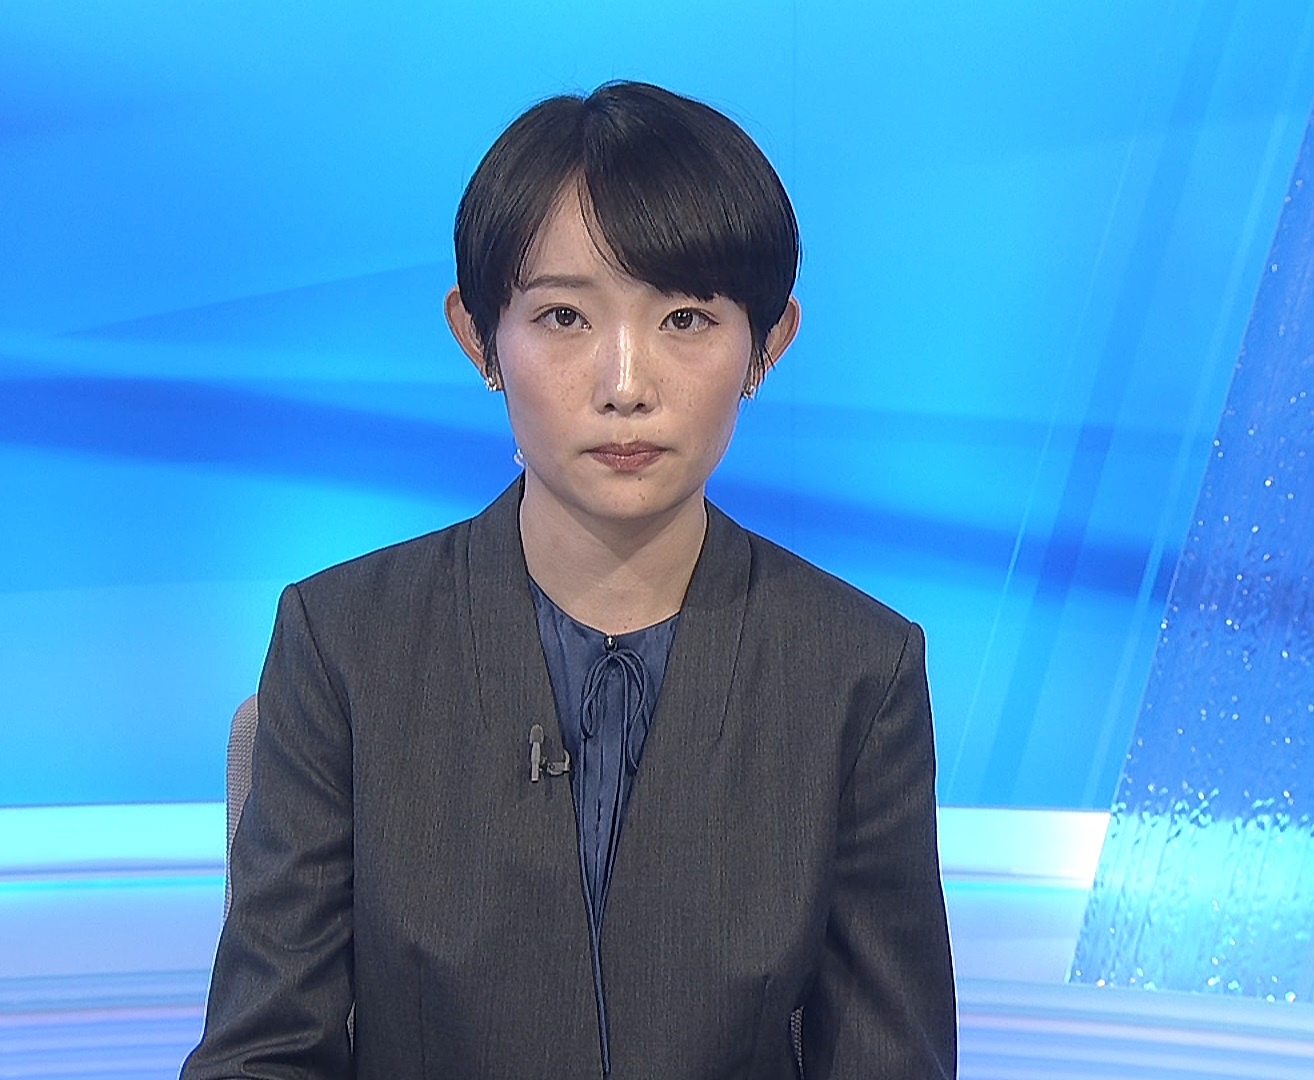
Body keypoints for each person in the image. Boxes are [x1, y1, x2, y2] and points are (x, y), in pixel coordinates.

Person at [181, 80, 957, 1080]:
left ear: (767, 346)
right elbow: (264, 1054)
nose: (624, 385)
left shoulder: (857, 669)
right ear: (478, 338)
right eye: (563, 317)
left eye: (686, 318)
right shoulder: (343, 646)